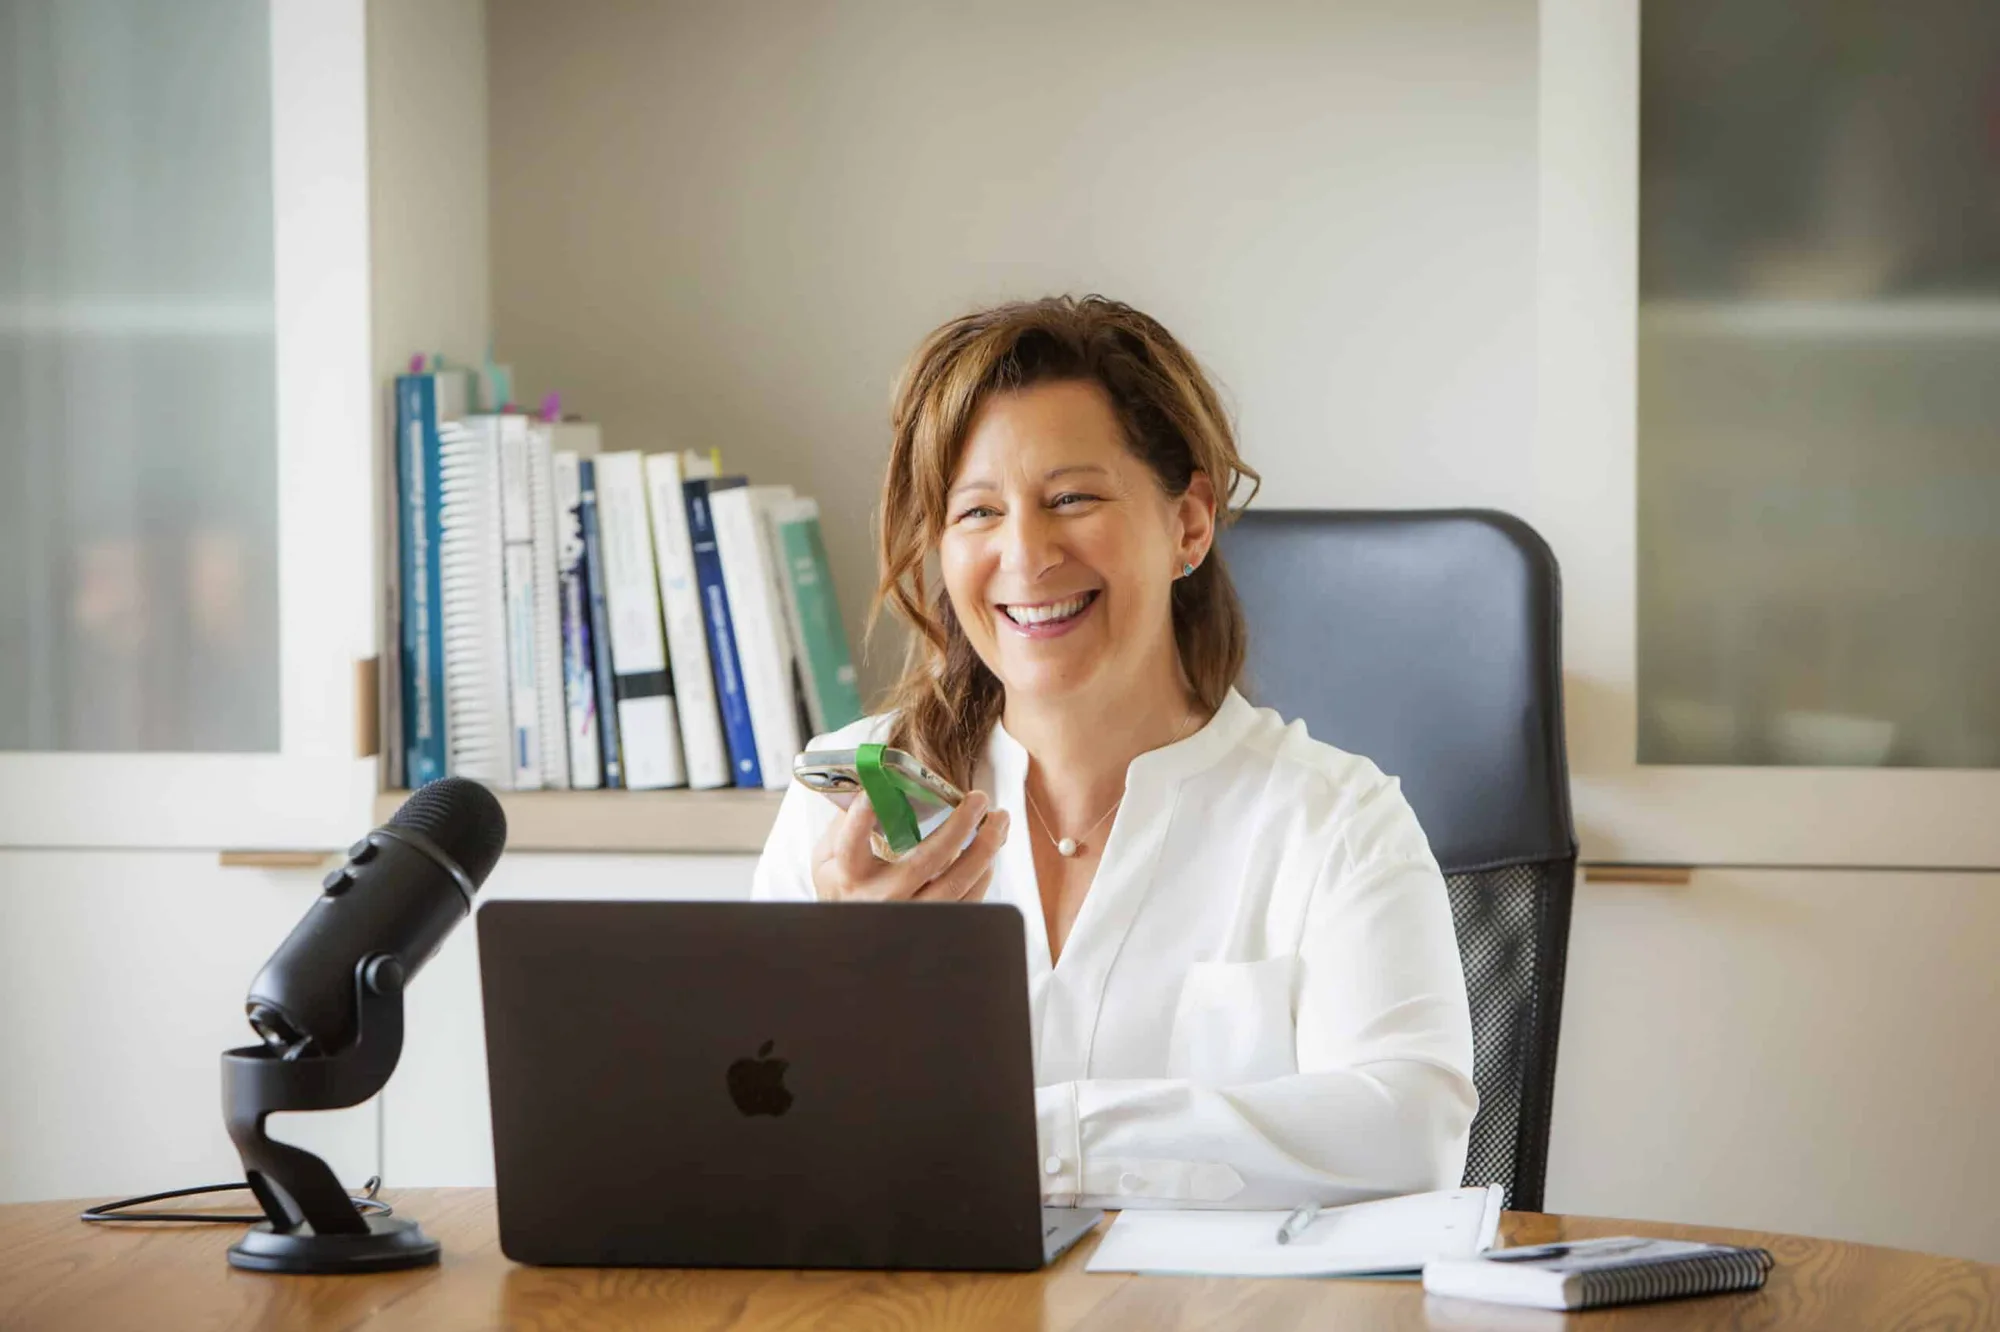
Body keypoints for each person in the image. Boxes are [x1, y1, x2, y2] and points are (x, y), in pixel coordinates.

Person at [752, 295, 1476, 1210]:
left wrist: (1040, 1139)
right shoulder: (848, 806)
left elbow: (1412, 1131)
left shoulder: (1336, 822)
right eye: (977, 512)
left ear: (1189, 524)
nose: (1026, 554)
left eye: (1072, 499)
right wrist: (845, 981)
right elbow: (761, 1139)